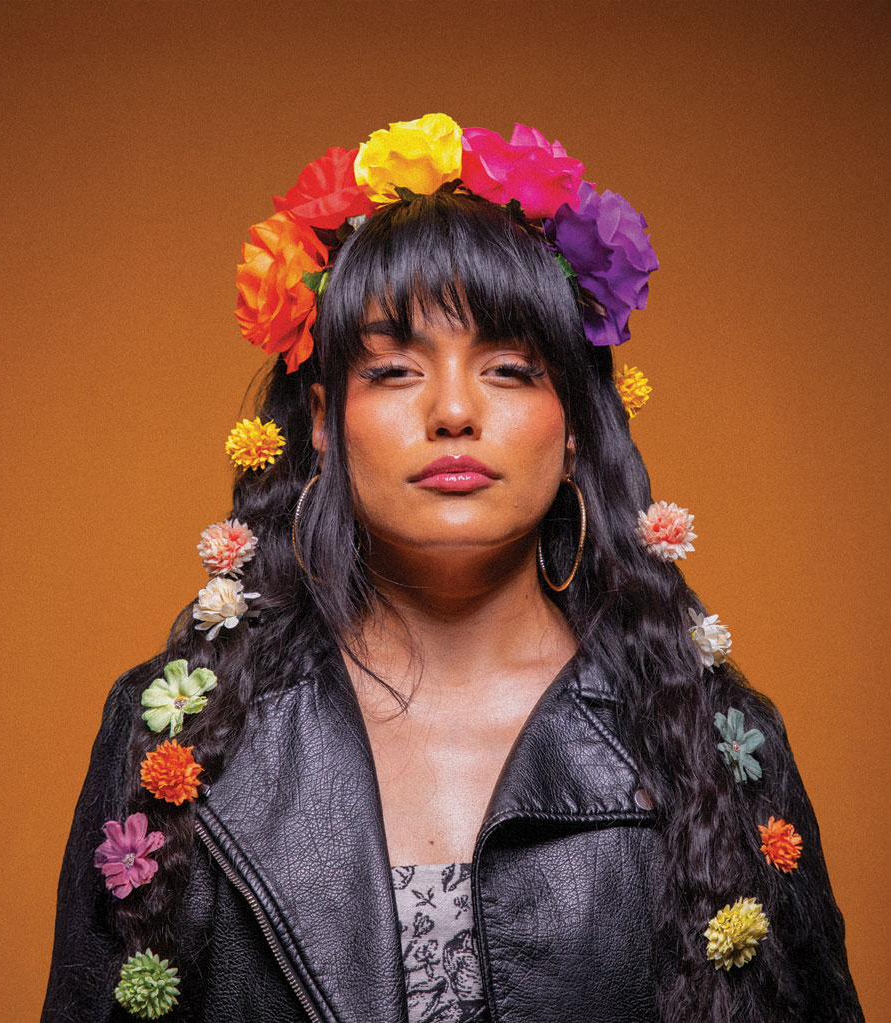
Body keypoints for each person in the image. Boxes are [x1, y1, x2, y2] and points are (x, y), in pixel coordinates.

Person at [43, 114, 862, 1023]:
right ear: (323, 419)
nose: (455, 411)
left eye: (510, 367)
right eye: (395, 369)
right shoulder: (171, 735)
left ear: (579, 420)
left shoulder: (716, 737)